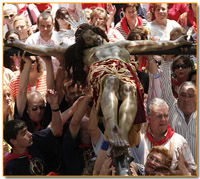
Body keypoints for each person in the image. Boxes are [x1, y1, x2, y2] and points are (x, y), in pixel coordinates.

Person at [5, 23, 193, 151]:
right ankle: (112, 130)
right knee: (110, 82)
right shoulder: (82, 52)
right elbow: (46, 50)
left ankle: (122, 136)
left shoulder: (121, 44)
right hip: (102, 74)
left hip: (125, 71)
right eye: (83, 39)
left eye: (89, 35)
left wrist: (177, 43)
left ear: (97, 33)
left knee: (129, 90)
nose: (87, 38)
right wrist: (20, 43)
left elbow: (150, 44)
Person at [4, 89, 63, 175]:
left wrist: (54, 105)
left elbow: (56, 129)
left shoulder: (33, 142)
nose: (30, 134)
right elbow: (21, 91)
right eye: (24, 133)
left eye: (27, 130)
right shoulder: (11, 167)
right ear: (13, 141)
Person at [129, 98, 196, 173]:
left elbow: (193, 171)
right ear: (148, 118)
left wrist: (170, 173)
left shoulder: (179, 141)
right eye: (158, 116)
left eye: (166, 116)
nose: (163, 119)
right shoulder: (139, 136)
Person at [25, 10, 62, 74]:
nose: (45, 29)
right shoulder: (31, 41)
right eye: (42, 26)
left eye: (48, 26)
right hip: (39, 78)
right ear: (38, 25)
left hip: (59, 77)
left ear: (53, 25)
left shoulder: (62, 39)